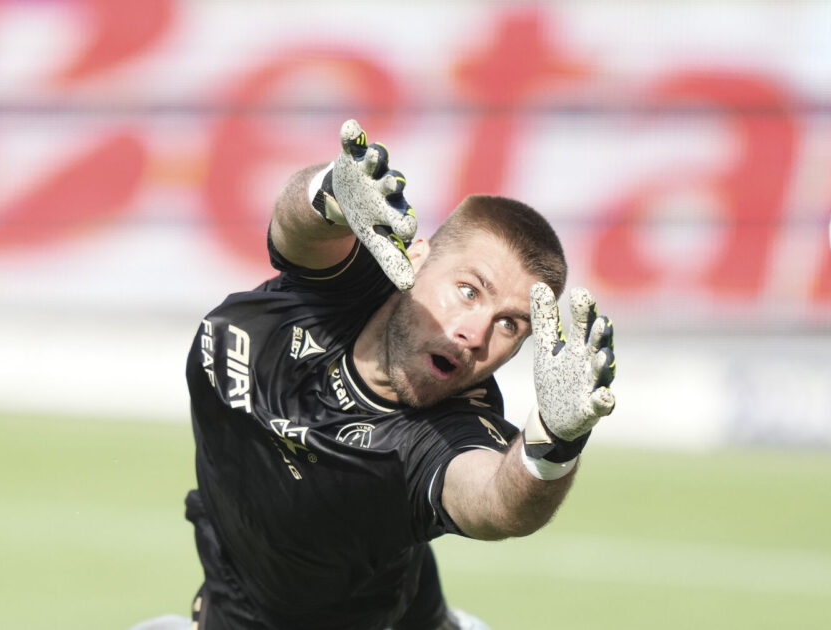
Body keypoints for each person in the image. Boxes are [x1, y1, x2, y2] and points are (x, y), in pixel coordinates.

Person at [180, 120, 617, 629]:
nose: (475, 333)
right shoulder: (342, 285)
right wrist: (331, 189)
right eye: (469, 291)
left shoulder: (448, 432)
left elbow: (495, 501)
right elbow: (295, 225)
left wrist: (555, 444)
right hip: (228, 598)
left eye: (509, 325)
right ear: (417, 256)